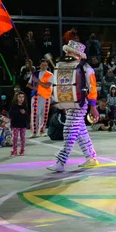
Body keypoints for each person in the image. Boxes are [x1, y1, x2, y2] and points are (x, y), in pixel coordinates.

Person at [47, 40, 100, 172]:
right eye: (66, 51)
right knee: (80, 131)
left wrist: (93, 106)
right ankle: (91, 157)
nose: (66, 53)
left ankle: (61, 161)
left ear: (77, 54)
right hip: (70, 103)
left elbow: (92, 88)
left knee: (69, 130)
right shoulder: (64, 67)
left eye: (69, 51)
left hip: (80, 103)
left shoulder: (86, 69)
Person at [27, 59, 53, 138]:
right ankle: (34, 132)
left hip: (46, 96)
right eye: (42, 64)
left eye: (45, 65)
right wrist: (36, 88)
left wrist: (38, 81)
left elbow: (47, 85)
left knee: (44, 114)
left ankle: (41, 131)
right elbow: (28, 85)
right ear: (40, 65)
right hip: (36, 96)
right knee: (35, 114)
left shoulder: (50, 74)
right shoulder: (35, 74)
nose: (44, 66)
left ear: (47, 66)